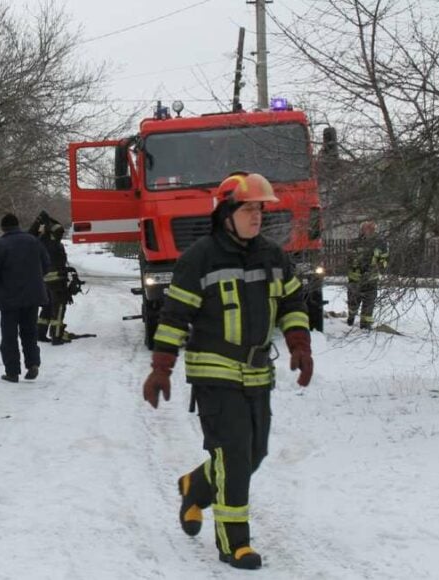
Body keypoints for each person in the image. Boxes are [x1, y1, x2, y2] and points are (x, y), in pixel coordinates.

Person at [142, 172, 314, 570]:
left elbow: (293, 305)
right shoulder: (198, 259)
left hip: (257, 374)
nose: (257, 217)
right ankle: (233, 543)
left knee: (255, 453)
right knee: (234, 455)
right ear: (226, 213)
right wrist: (161, 368)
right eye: (249, 209)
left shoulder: (273, 256)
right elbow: (174, 317)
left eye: (260, 209)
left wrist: (300, 346)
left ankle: (195, 485)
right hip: (213, 373)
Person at [0, 213, 50, 383]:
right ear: (18, 225)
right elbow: (46, 264)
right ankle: (33, 364)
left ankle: (12, 372)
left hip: (9, 298)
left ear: (3, 228)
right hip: (32, 296)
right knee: (30, 332)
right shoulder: (34, 241)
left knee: (9, 336)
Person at [31, 212, 72, 344]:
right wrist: (48, 219)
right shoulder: (54, 244)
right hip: (57, 283)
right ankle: (56, 335)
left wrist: (44, 220)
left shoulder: (39, 241)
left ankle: (40, 333)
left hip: (44, 282)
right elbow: (59, 263)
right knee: (59, 307)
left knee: (47, 307)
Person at [346, 220, 388, 330]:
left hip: (371, 279)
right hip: (355, 279)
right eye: (367, 228)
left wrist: (377, 267)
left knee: (369, 303)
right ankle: (351, 316)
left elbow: (385, 259)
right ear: (362, 230)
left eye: (372, 229)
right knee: (353, 301)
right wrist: (358, 268)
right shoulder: (354, 243)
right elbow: (350, 259)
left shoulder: (381, 243)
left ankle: (365, 325)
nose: (369, 231)